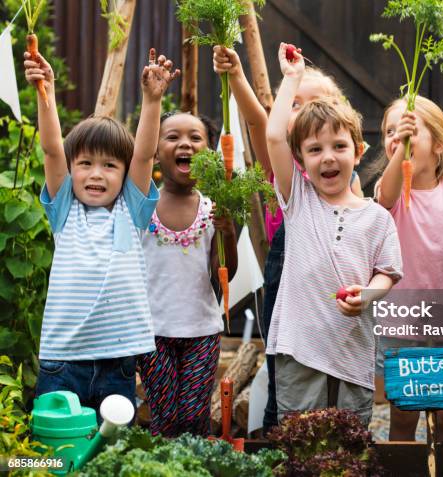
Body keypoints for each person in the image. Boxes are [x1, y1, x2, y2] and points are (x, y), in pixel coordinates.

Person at [212, 45, 361, 433]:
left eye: (318, 102)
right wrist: (240, 76)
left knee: (334, 368)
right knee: (287, 369)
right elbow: (262, 124)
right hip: (290, 268)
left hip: (335, 274)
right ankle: (279, 438)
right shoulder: (288, 165)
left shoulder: (344, 171)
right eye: (295, 103)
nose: (306, 111)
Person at [24, 49, 179, 411]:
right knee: (58, 455)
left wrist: (152, 99)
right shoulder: (65, 210)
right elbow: (50, 150)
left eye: (110, 165)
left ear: (124, 175)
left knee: (111, 458)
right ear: (72, 168)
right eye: (85, 164)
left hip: (117, 364)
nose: (96, 174)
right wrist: (45, 91)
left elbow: (143, 155)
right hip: (63, 361)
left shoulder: (131, 210)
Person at [265, 43, 402, 425]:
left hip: (352, 351)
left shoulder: (377, 217)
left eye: (339, 146)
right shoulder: (298, 199)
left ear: (358, 152)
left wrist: (368, 294)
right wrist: (291, 79)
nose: (328, 157)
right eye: (315, 149)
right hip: (299, 349)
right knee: (300, 441)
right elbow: (275, 137)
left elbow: (388, 272)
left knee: (348, 442)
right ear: (301, 159)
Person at [375, 95, 443, 442]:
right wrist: (401, 147)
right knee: (403, 422)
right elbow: (385, 195)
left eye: (408, 130)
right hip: (402, 327)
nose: (396, 137)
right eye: (390, 131)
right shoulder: (392, 194)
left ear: (439, 145)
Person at [137, 111, 238, 436]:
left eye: (195, 138)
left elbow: (224, 272)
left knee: (194, 416)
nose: (185, 144)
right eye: (172, 137)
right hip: (154, 332)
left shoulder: (212, 209)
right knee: (164, 415)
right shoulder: (143, 207)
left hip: (201, 331)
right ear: (154, 150)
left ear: (209, 153)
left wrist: (228, 233)